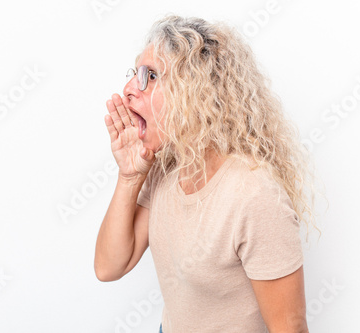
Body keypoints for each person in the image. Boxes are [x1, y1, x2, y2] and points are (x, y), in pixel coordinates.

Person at [94, 14, 318, 333]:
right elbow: (109, 267)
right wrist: (130, 178)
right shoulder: (164, 166)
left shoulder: (254, 195)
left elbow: (289, 327)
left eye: (152, 76)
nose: (130, 88)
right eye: (135, 73)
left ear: (195, 93)